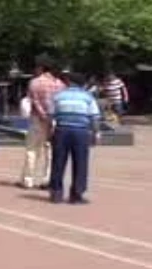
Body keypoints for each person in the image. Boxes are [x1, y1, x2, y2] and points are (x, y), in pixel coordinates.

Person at [47, 70, 101, 204]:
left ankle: (56, 193)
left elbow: (50, 116)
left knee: (58, 162)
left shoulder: (58, 96)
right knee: (81, 163)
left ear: (68, 82)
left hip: (61, 130)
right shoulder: (88, 97)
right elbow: (94, 117)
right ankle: (76, 195)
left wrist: (50, 131)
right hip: (81, 131)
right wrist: (96, 133)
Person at [21, 55, 64, 189]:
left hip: (37, 120)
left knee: (32, 149)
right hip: (54, 120)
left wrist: (43, 115)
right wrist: (51, 118)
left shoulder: (35, 82)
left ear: (41, 67)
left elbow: (34, 101)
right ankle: (47, 179)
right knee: (50, 151)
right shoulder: (60, 84)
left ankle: (28, 179)